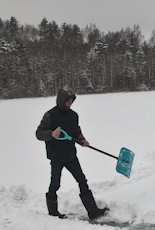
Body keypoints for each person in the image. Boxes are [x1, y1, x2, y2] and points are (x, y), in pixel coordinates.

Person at [35, 89, 109, 220]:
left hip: (70, 155)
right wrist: (51, 134)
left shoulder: (73, 115)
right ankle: (53, 213)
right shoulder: (50, 115)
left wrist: (82, 140)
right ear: (61, 101)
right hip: (56, 156)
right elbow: (39, 133)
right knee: (55, 184)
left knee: (82, 180)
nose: (70, 103)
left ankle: (93, 211)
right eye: (68, 101)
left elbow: (76, 131)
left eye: (71, 101)